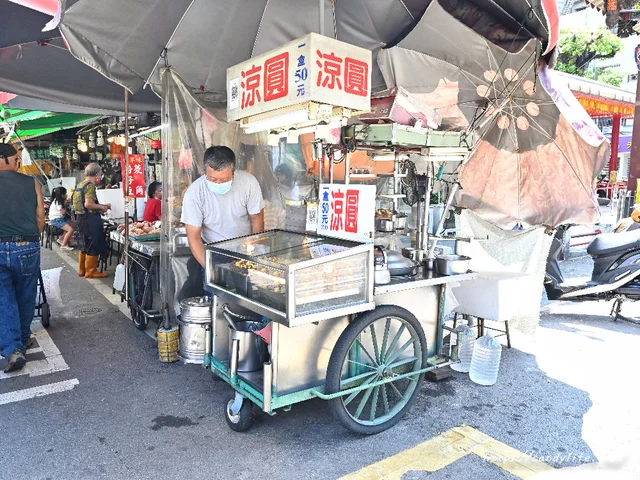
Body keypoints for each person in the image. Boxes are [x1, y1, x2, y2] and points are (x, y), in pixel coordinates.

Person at [0, 143, 45, 373]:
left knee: (3, 297)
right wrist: (30, 240)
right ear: (4, 159)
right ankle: (24, 338)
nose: (19, 163)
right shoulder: (32, 182)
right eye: (16, 159)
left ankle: (13, 349)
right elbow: (40, 218)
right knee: (26, 293)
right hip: (27, 244)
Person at [181, 146, 264, 268]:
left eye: (224, 179)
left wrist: (254, 249)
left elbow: (257, 218)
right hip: (213, 251)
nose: (218, 183)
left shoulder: (249, 183)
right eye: (213, 179)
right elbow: (194, 238)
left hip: (244, 249)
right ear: (206, 172)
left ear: (233, 173)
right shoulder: (194, 193)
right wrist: (210, 269)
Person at [71, 163, 111, 279]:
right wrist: (102, 207)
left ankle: (82, 270)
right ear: (97, 173)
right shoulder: (90, 186)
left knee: (84, 245)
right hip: (90, 219)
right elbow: (88, 204)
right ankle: (91, 271)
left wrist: (101, 205)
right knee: (94, 244)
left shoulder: (80, 185)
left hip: (80, 219)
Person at [49, 187, 76, 251]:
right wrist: (66, 204)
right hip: (56, 219)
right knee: (70, 230)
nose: (66, 195)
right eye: (65, 193)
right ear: (62, 195)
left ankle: (62, 239)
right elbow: (63, 212)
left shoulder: (58, 200)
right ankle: (63, 245)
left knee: (73, 225)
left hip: (60, 218)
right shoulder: (58, 202)